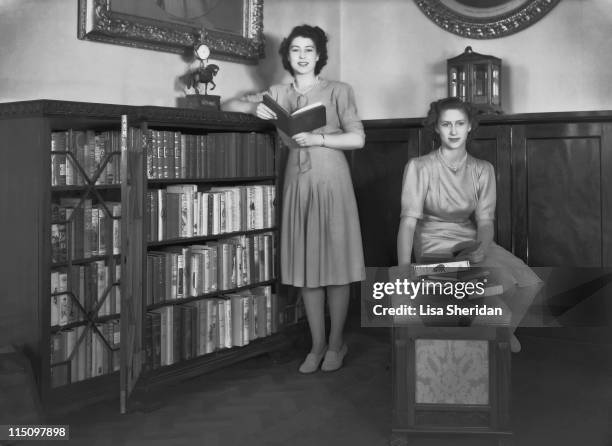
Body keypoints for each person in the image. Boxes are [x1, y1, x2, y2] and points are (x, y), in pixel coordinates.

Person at [223, 25, 366, 372]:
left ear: (318, 56)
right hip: (297, 182)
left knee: (336, 264)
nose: (301, 56)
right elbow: (227, 103)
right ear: (287, 56)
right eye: (295, 50)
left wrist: (320, 141)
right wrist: (252, 109)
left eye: (308, 50)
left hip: (332, 178)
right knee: (307, 267)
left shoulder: (338, 90)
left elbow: (358, 138)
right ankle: (316, 346)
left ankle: (336, 344)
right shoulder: (276, 92)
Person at [397, 97, 542, 352]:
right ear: (436, 128)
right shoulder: (419, 167)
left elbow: (486, 221)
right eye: (446, 124)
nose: (453, 131)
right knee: (502, 282)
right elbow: (408, 223)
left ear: (469, 127)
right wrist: (403, 270)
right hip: (433, 246)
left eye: (460, 123)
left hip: (471, 241)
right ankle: (487, 333)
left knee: (529, 282)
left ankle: (504, 333)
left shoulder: (482, 169)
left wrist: (483, 248)